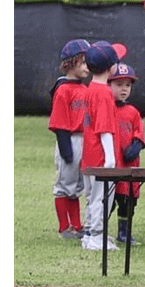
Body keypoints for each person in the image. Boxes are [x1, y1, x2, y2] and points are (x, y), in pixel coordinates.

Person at [74, 44, 124, 251]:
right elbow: (104, 129)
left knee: (92, 198)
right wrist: (110, 160)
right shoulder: (103, 93)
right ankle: (96, 236)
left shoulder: (89, 89)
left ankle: (90, 235)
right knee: (101, 199)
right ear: (111, 67)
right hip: (101, 156)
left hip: (89, 155)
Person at [49, 40, 93, 240]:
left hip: (85, 140)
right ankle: (64, 227)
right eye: (83, 62)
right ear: (71, 63)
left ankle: (76, 225)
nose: (87, 67)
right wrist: (66, 150)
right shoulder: (63, 89)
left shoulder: (85, 88)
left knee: (76, 186)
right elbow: (59, 123)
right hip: (70, 140)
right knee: (64, 185)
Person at [108, 63, 145, 246]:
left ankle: (124, 232)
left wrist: (136, 145)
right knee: (108, 199)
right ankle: (99, 230)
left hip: (129, 165)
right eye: (118, 84)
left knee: (128, 201)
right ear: (108, 85)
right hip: (110, 164)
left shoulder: (132, 112)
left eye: (128, 85)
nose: (124, 89)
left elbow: (139, 134)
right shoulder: (105, 108)